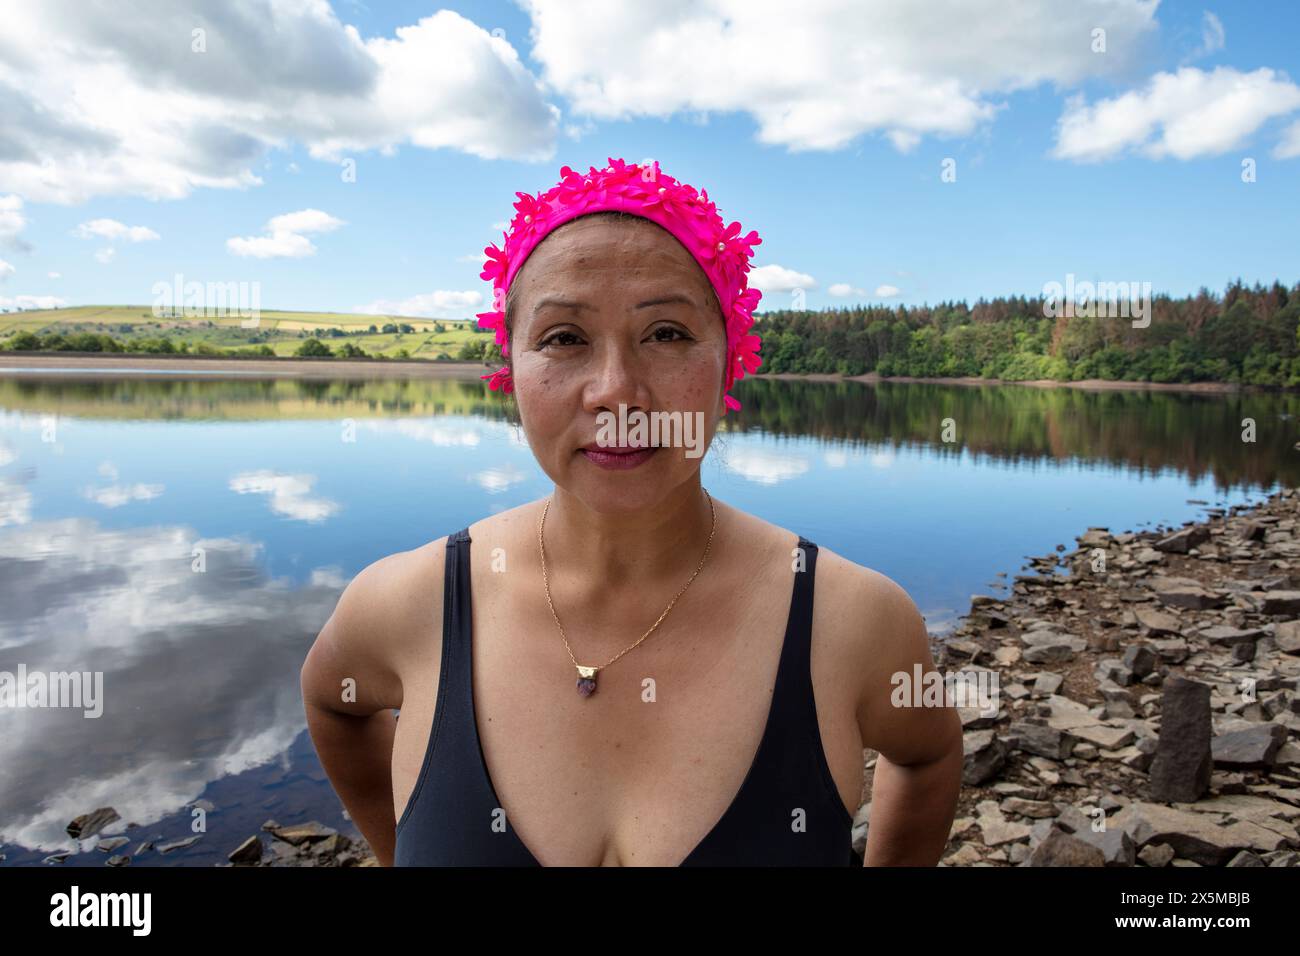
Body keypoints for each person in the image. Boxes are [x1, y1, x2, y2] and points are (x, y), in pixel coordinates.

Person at [300, 158, 962, 866]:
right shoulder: (409, 603)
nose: (616, 393)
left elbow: (927, 755)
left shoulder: (852, 620)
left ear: (729, 357)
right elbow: (334, 703)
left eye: (667, 334)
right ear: (511, 367)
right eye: (564, 338)